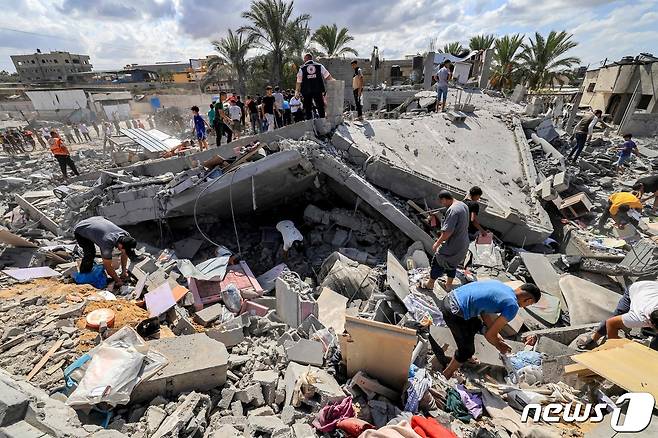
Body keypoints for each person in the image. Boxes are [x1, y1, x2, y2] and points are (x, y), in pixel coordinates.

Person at [438, 280, 541, 378]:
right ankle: (446, 374)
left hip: (449, 299)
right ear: (529, 300)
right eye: (529, 304)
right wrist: (500, 346)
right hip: (454, 312)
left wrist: (497, 335)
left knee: (477, 324)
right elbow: (489, 336)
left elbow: (484, 311)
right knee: (467, 350)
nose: (525, 306)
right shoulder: (512, 306)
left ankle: (466, 358)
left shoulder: (500, 285)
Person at [576, 281, 658, 350]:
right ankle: (594, 337)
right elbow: (611, 323)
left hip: (654, 289)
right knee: (616, 316)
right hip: (637, 289)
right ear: (651, 324)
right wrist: (614, 346)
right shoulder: (638, 317)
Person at [420, 190, 470, 292]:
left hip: (454, 244)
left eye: (442, 202)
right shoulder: (462, 205)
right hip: (464, 243)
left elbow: (448, 232)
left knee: (438, 259)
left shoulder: (453, 210)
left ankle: (430, 284)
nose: (442, 204)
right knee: (452, 263)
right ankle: (448, 285)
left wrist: (437, 243)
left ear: (444, 199)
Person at [73, 216, 138, 287]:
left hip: (98, 220)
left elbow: (124, 253)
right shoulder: (106, 243)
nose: (126, 252)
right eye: (125, 250)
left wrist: (124, 271)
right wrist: (118, 280)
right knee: (90, 252)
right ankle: (84, 276)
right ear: (120, 245)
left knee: (96, 245)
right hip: (81, 228)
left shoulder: (126, 235)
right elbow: (108, 266)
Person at [295, 53, 334, 120]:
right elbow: (328, 76)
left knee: (308, 108)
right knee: (320, 106)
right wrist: (335, 81)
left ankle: (310, 125)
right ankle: (322, 122)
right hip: (318, 90)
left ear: (305, 59)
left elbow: (299, 82)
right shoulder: (319, 66)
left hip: (306, 91)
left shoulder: (302, 68)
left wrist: (297, 91)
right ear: (311, 58)